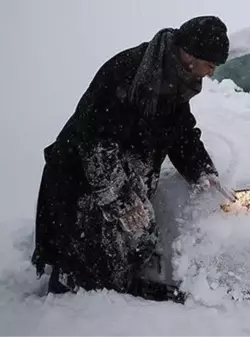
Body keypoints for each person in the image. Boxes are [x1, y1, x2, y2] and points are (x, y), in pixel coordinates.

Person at [31, 15, 235, 303]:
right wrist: (126, 204)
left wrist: (203, 170)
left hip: (115, 181)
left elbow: (180, 133)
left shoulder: (175, 80)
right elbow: (96, 146)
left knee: (122, 262)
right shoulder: (128, 72)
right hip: (81, 186)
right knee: (84, 276)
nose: (211, 74)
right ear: (191, 55)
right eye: (211, 65)